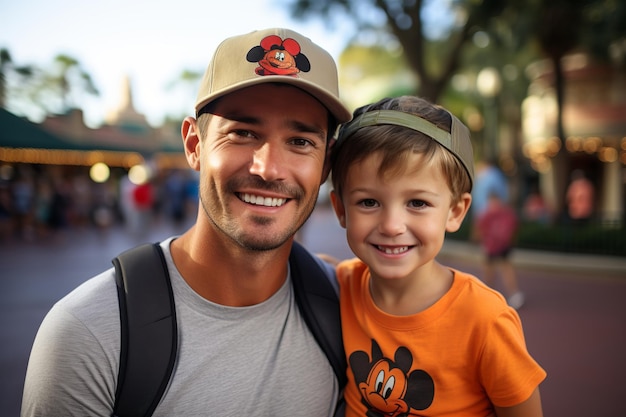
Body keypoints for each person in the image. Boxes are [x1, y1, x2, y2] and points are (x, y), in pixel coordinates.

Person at [21, 28, 352, 417]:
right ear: (194, 146)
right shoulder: (89, 333)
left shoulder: (349, 309)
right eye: (243, 133)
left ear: (325, 164)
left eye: (300, 142)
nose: (269, 169)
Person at [329, 96, 546, 416]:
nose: (391, 226)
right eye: (368, 202)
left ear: (455, 212)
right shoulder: (343, 285)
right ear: (340, 209)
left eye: (417, 203)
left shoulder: (484, 320)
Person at [477, 191, 525, 309]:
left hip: (501, 246)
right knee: (490, 270)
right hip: (492, 246)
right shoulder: (488, 214)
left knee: (505, 269)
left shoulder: (502, 213)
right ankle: (489, 293)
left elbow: (514, 226)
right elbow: (480, 228)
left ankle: (513, 293)